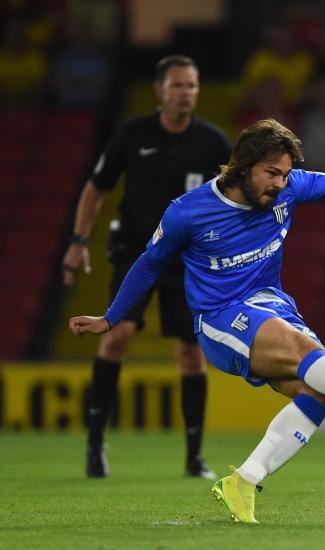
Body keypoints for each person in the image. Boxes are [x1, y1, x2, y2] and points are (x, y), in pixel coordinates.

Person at [69, 118, 325, 524]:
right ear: (243, 166)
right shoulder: (188, 212)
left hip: (272, 306)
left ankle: (244, 481)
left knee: (319, 389)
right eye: (272, 173)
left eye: (285, 174)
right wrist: (111, 318)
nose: (280, 184)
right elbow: (149, 263)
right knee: (306, 354)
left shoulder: (290, 189)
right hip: (220, 318)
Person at [62, 55, 232, 480]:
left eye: (191, 85)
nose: (185, 93)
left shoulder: (213, 143)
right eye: (177, 85)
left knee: (191, 354)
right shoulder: (132, 134)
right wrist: (79, 242)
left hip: (187, 260)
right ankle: (94, 446)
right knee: (116, 337)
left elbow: (235, 200)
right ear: (159, 90)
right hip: (135, 252)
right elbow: (96, 187)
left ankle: (194, 457)